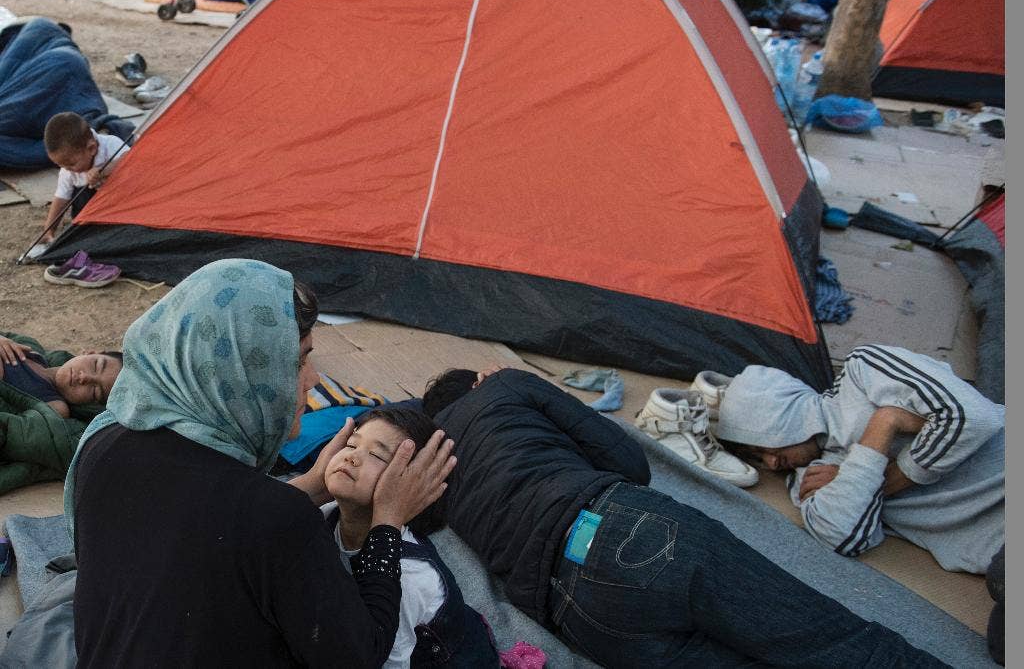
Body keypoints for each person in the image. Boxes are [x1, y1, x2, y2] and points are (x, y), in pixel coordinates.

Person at [66, 259, 456, 668]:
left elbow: (202, 531)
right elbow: (360, 653)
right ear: (243, 369)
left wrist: (313, 484)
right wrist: (388, 523)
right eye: (298, 361)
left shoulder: (105, 441)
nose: (314, 380)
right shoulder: (276, 518)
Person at [421, 367, 945, 667]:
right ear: (477, 384)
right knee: (834, 643)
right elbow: (631, 464)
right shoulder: (504, 385)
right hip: (620, 532)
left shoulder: (428, 471)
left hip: (578, 620)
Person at [714, 344, 1004, 574]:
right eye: (759, 460)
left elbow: (975, 419)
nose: (772, 463)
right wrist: (883, 428)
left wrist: (869, 467)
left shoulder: (863, 372)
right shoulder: (809, 477)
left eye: (761, 446)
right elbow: (842, 535)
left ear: (776, 416)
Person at [322, 407, 499, 668]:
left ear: (416, 487)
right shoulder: (325, 514)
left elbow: (388, 662)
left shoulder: (410, 578)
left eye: (376, 455)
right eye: (351, 444)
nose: (352, 457)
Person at [1, 331, 122, 495]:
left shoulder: (55, 408)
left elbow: (13, 429)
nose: (84, 377)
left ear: (90, 405)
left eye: (95, 391)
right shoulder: (29, 349)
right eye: (95, 365)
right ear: (90, 353)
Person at [40, 111, 129, 243]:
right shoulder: (67, 170)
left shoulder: (111, 144)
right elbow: (61, 199)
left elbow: (131, 159)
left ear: (92, 148)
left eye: (71, 164)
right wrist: (49, 230)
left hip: (121, 204)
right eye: (60, 165)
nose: (66, 168)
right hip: (91, 212)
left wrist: (104, 171)